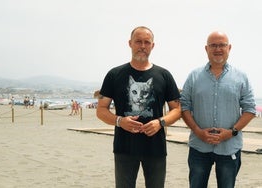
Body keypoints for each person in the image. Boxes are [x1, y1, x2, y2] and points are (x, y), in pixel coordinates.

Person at [96, 26, 181, 188]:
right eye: (138, 41)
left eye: (147, 42)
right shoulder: (114, 74)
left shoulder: (164, 75)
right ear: (130, 43)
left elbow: (177, 109)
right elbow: (101, 110)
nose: (142, 46)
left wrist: (160, 123)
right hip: (124, 148)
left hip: (155, 148)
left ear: (152, 46)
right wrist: (120, 121)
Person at [180, 31, 256, 188]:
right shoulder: (194, 76)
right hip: (199, 147)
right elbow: (184, 106)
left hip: (230, 147)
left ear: (229, 48)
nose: (218, 49)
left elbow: (249, 110)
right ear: (206, 49)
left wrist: (232, 132)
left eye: (222, 45)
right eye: (213, 45)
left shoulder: (241, 77)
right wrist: (197, 131)